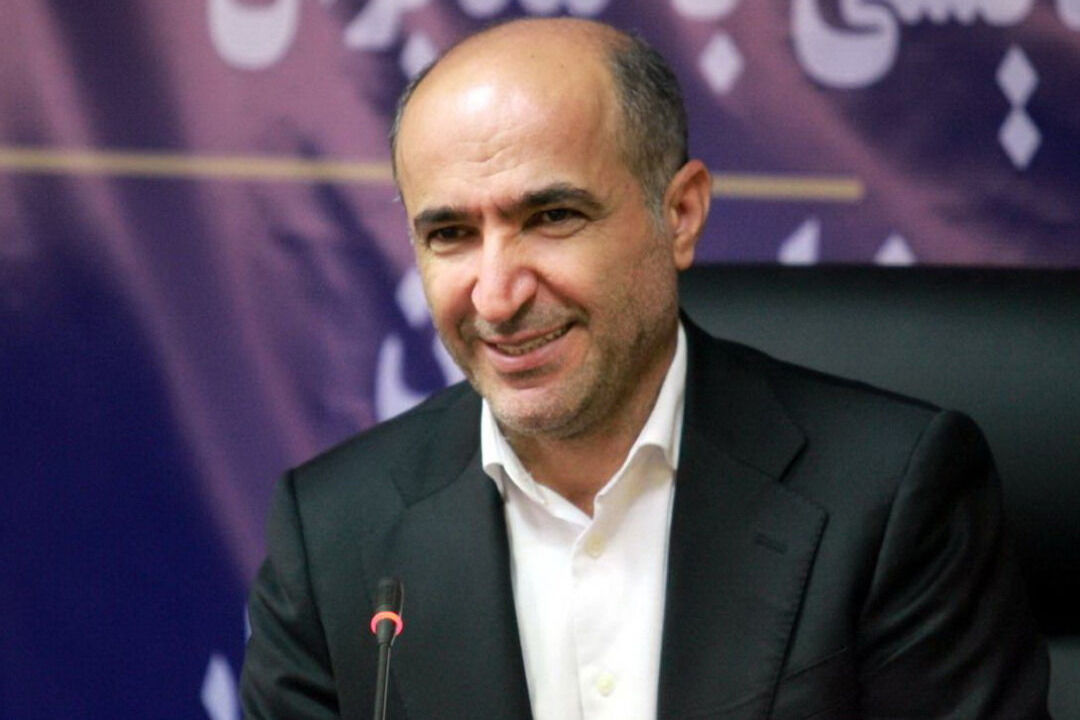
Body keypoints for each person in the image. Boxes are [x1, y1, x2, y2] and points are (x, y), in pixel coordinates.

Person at [240, 18, 1050, 720]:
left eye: (552, 216)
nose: (496, 295)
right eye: (450, 235)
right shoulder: (334, 536)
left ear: (681, 213)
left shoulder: (888, 496)